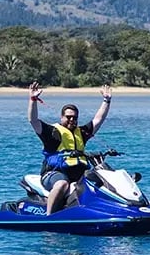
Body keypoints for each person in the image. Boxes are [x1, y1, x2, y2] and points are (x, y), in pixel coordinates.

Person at [28, 81, 113, 215]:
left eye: (74, 117)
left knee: (104, 180)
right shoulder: (52, 132)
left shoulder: (82, 133)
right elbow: (33, 120)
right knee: (62, 184)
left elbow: (98, 120)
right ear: (62, 117)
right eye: (68, 117)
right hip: (54, 173)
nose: (72, 120)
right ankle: (49, 216)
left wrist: (106, 101)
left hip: (78, 173)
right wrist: (33, 99)